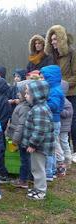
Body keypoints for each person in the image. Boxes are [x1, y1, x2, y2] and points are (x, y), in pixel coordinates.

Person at [45, 25, 76, 154]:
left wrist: (63, 85)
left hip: (71, 92)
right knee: (60, 123)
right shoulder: (53, 56)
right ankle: (64, 150)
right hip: (57, 93)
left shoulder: (73, 53)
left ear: (61, 39)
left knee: (73, 121)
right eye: (51, 40)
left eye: (55, 39)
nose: (52, 42)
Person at [22, 80, 54, 200]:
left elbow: (40, 130)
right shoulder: (37, 107)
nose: (25, 96)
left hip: (39, 146)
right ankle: (37, 187)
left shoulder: (39, 110)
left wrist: (32, 144)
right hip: (38, 145)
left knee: (38, 168)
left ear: (37, 95)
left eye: (28, 93)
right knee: (36, 167)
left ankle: (40, 191)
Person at [40, 65, 64, 181]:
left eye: (43, 77)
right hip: (53, 120)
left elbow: (54, 105)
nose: (42, 79)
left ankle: (48, 173)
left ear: (50, 78)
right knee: (52, 147)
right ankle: (52, 170)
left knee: (48, 148)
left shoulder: (55, 91)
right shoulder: (54, 89)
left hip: (52, 121)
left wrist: (42, 103)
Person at [7, 80, 32, 189]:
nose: (17, 94)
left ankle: (23, 180)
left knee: (25, 159)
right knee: (24, 158)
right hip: (19, 137)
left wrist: (15, 140)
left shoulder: (25, 108)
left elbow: (21, 126)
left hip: (21, 139)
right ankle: (27, 177)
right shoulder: (22, 105)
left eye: (20, 92)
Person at [58, 80, 73, 172]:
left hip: (64, 127)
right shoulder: (61, 100)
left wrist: (59, 110)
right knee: (60, 142)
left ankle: (68, 159)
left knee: (64, 142)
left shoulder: (66, 102)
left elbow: (68, 114)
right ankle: (63, 158)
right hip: (61, 126)